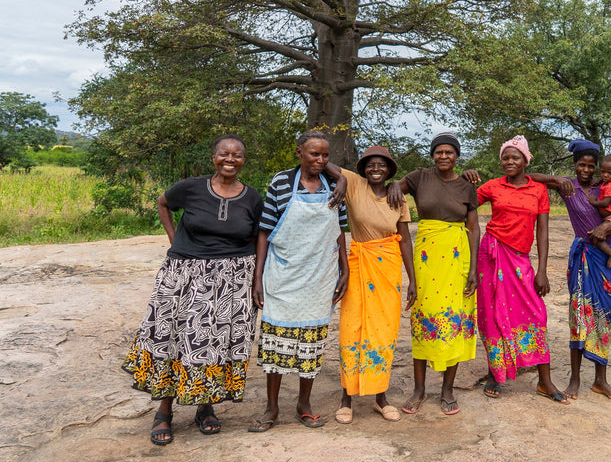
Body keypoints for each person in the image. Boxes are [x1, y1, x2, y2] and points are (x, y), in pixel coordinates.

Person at [123, 135, 264, 445]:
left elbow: (258, 239)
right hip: (186, 274)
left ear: (243, 160)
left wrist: (257, 281)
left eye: (237, 155)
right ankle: (164, 412)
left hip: (233, 279)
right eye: (224, 154)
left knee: (214, 343)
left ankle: (206, 406)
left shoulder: (253, 198)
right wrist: (176, 241)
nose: (230, 159)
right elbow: (163, 203)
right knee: (174, 338)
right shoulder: (191, 187)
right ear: (213, 157)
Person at [250, 130, 350, 431]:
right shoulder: (281, 183)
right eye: (313, 154)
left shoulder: (334, 185)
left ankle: (304, 404)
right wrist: (258, 276)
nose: (320, 160)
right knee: (275, 341)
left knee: (312, 342)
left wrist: (345, 270)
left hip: (320, 275)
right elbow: (265, 230)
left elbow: (340, 230)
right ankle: (272, 407)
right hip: (283, 274)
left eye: (325, 155)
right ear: (299, 153)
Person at [529, 139, 611, 400]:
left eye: (591, 166)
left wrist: (607, 228)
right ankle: (575, 380)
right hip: (583, 258)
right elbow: (530, 176)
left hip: (607, 259)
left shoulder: (607, 187)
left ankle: (601, 381)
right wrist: (559, 178)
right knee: (578, 316)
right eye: (581, 165)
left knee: (604, 316)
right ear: (575, 165)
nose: (586, 170)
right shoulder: (569, 187)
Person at [386, 132, 479, 415]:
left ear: (457, 156)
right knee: (423, 321)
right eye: (439, 152)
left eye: (449, 152)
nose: (443, 156)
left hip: (456, 259)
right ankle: (419, 389)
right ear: (432, 155)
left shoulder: (466, 186)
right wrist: (391, 185)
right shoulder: (420, 177)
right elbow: (391, 189)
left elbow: (473, 228)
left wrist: (473, 269)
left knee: (453, 323)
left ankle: (447, 390)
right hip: (426, 259)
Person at [476, 135, 568, 403]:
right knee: (492, 313)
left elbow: (543, 231)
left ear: (525, 161)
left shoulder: (538, 190)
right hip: (491, 255)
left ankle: (544, 381)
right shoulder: (492, 186)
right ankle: (495, 373)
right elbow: (465, 202)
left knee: (536, 314)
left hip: (520, 259)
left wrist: (542, 270)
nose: (509, 161)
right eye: (505, 157)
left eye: (515, 157)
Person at [333, 146, 416, 424]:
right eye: (370, 165)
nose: (376, 169)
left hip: (388, 269)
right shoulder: (355, 185)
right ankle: (347, 397)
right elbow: (324, 164)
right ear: (363, 169)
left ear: (390, 170)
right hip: (358, 262)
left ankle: (380, 397)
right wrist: (343, 181)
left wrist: (412, 279)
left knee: (383, 330)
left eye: (382, 165)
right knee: (351, 326)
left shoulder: (398, 197)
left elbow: (404, 239)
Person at [587, 153, 611, 267]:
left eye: (609, 173)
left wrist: (594, 202)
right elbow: (607, 175)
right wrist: (600, 179)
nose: (605, 175)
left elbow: (606, 202)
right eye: (602, 172)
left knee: (596, 235)